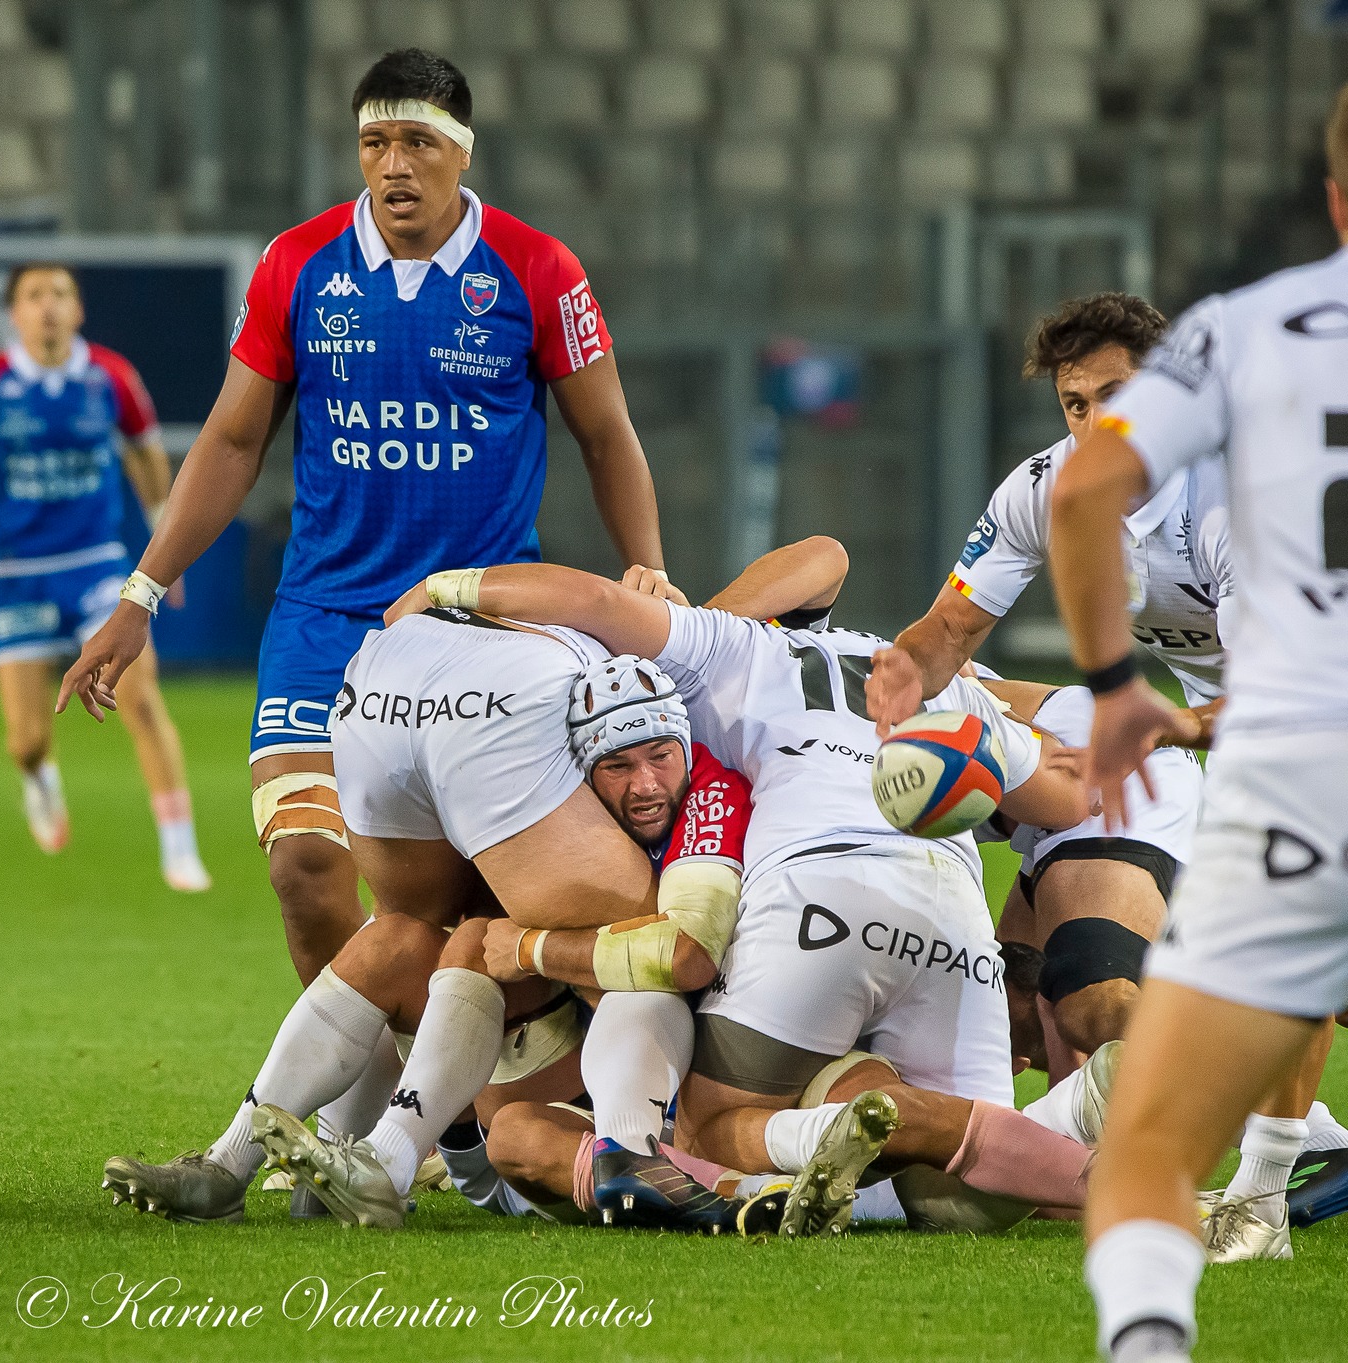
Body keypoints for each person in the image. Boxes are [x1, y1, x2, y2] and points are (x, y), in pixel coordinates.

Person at [57, 48, 667, 986]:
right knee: (305, 866)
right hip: (325, 617)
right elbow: (228, 443)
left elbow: (607, 435)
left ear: (462, 153)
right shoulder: (297, 264)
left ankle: (449, 1115)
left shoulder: (538, 268)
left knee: (466, 897)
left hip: (479, 625)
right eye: (374, 142)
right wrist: (141, 594)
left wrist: (647, 573)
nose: (393, 165)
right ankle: (364, 1115)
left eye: (418, 142)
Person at [98, 540, 845, 1230]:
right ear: (575, 769)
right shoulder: (623, 787)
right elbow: (819, 560)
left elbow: (686, 955)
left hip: (579, 1110)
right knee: (402, 936)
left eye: (659, 757)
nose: (645, 785)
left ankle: (688, 1170)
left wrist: (532, 946)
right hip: (524, 1089)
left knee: (521, 999)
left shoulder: (711, 788)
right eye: (616, 767)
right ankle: (249, 1161)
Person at [400, 561, 1105, 1234]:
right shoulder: (940, 686)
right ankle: (1084, 1118)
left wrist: (443, 589)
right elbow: (1072, 796)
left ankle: (761, 1163)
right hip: (950, 911)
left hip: (811, 897)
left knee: (710, 1123)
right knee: (968, 1183)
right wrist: (966, 761)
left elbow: (602, 603)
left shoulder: (733, 649)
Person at [866, 293, 1345, 1255]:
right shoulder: (1044, 489)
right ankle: (1309, 1154)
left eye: (1117, 396)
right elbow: (951, 628)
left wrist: (1166, 725)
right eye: (1075, 402)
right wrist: (896, 682)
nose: (1093, 423)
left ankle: (1257, 1200)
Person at [1053, 84, 1348, 1363]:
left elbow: (1086, 499)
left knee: (1147, 1146)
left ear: (1330, 194)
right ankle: (1278, 1177)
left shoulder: (1242, 330)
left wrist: (1119, 687)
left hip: (1298, 758)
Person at [0, 263, 210, 892]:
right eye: (33, 296)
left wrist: (167, 548)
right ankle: (40, 777)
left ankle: (179, 848)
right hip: (16, 573)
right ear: (15, 314)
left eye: (59, 295)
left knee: (138, 698)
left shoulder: (111, 377)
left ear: (78, 311)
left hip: (97, 566)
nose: (48, 307)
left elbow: (144, 455)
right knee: (26, 740)